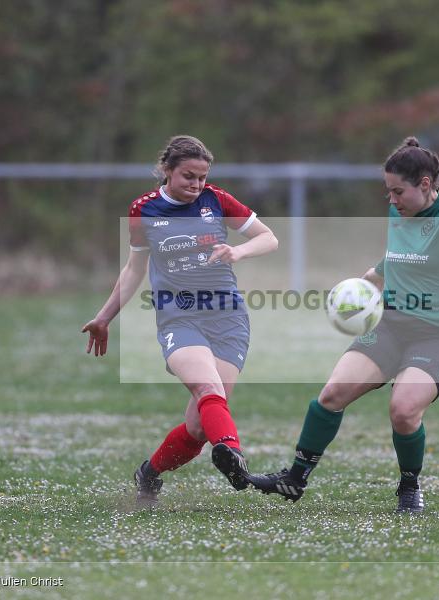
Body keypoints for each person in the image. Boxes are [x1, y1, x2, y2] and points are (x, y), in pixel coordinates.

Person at [250, 137, 439, 513]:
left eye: (398, 191)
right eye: (388, 192)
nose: (392, 200)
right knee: (332, 394)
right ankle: (295, 478)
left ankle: (409, 487)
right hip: (391, 324)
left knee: (403, 411)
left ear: (426, 185)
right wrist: (370, 278)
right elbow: (402, 256)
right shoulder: (400, 213)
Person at [81, 135, 278, 505]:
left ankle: (149, 473)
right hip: (179, 316)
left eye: (202, 177)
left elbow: (269, 238)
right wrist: (103, 318)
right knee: (209, 390)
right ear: (166, 171)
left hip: (228, 318)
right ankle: (234, 457)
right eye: (188, 175)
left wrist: (238, 250)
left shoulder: (216, 201)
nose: (196, 184)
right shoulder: (144, 210)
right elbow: (134, 269)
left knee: (199, 426)